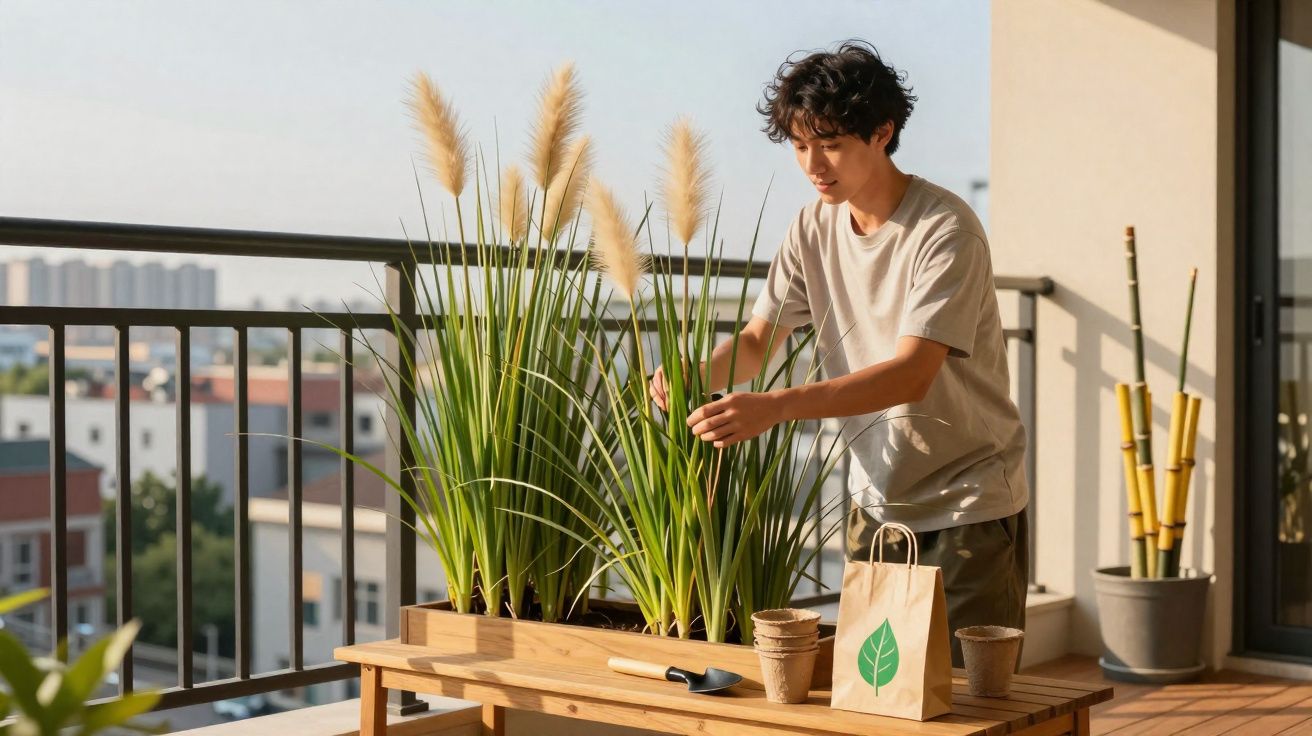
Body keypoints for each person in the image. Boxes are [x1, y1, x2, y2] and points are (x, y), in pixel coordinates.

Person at [650, 40, 1028, 667]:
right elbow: (757, 341)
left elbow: (912, 373)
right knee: (875, 689)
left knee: (967, 703)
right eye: (800, 145)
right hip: (874, 496)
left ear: (883, 132)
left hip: (968, 500)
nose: (812, 164)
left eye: (829, 143)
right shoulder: (811, 228)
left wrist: (773, 407)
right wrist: (693, 373)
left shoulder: (945, 230)